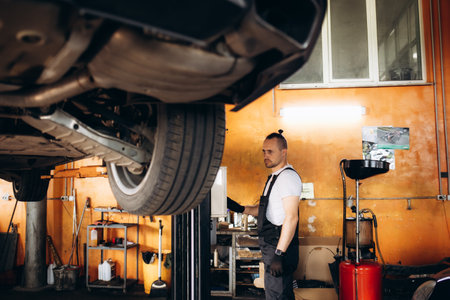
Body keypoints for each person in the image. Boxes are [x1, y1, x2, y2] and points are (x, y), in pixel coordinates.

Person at [228, 130, 302, 300]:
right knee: (274, 294)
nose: (265, 156)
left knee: (279, 295)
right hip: (272, 246)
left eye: (270, 152)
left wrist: (279, 254)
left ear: (283, 152)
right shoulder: (274, 178)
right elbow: (264, 211)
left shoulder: (287, 178)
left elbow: (291, 218)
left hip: (279, 248)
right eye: (264, 151)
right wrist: (238, 207)